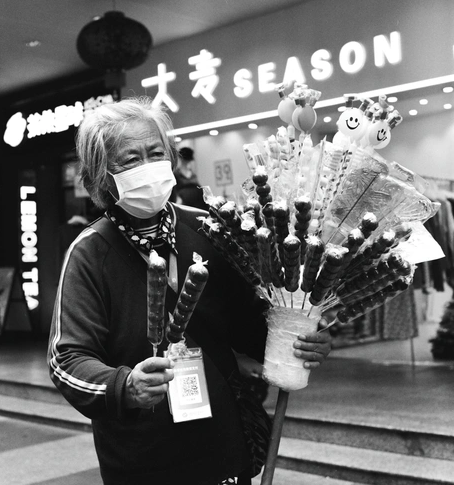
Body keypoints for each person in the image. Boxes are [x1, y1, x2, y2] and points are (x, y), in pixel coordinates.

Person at [47, 97, 331, 485]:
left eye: (155, 153)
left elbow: (248, 324)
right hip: (143, 458)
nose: (148, 166)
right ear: (101, 175)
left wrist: (298, 337)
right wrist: (126, 385)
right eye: (130, 160)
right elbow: (67, 359)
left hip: (222, 443)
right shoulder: (90, 253)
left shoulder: (210, 228)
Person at [170, 146, 208, 210]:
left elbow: (198, 188)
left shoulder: (192, 174)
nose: (187, 162)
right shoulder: (176, 174)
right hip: (184, 204)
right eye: (186, 160)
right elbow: (174, 192)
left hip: (197, 202)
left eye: (188, 160)